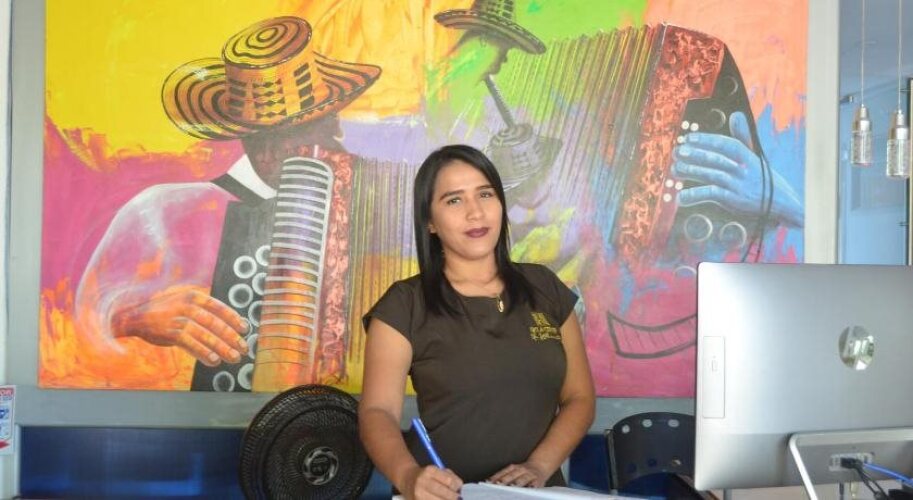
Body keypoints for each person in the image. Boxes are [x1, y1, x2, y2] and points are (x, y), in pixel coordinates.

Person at [358, 144, 595, 499]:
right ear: (429, 221)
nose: (475, 212)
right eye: (454, 200)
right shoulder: (405, 304)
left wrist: (539, 467)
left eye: (485, 194)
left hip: (537, 494)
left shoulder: (545, 287)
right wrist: (408, 477)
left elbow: (580, 397)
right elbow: (378, 411)